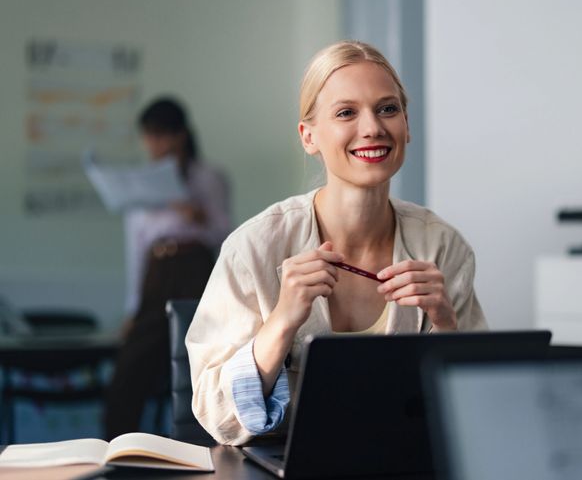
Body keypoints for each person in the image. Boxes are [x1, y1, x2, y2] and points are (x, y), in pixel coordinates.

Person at [186, 40, 488, 445]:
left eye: (388, 109)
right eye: (347, 112)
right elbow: (215, 414)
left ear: (407, 125)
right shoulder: (253, 248)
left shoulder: (443, 246)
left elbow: (481, 410)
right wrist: (282, 320)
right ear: (308, 137)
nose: (373, 128)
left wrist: (446, 327)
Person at [104, 97, 231, 439]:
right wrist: (133, 306)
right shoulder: (141, 183)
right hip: (157, 273)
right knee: (130, 368)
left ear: (179, 135)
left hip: (196, 267)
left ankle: (203, 446)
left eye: (161, 135)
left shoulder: (207, 177)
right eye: (149, 136)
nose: (155, 144)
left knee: (200, 359)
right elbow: (137, 248)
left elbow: (226, 233)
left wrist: (198, 215)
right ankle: (118, 452)